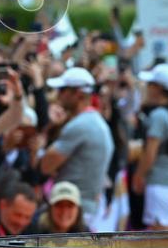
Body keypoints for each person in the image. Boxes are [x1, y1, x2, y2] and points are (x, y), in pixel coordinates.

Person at [38, 67, 114, 229]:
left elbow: (45, 166)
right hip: (84, 208)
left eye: (63, 90)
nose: (58, 95)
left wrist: (47, 131)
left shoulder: (80, 125)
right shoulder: (96, 121)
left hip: (73, 212)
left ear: (78, 94)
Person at [131, 64, 168, 231]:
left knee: (162, 230)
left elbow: (150, 152)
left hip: (160, 183)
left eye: (150, 85)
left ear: (158, 88)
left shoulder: (159, 115)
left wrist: (139, 176)